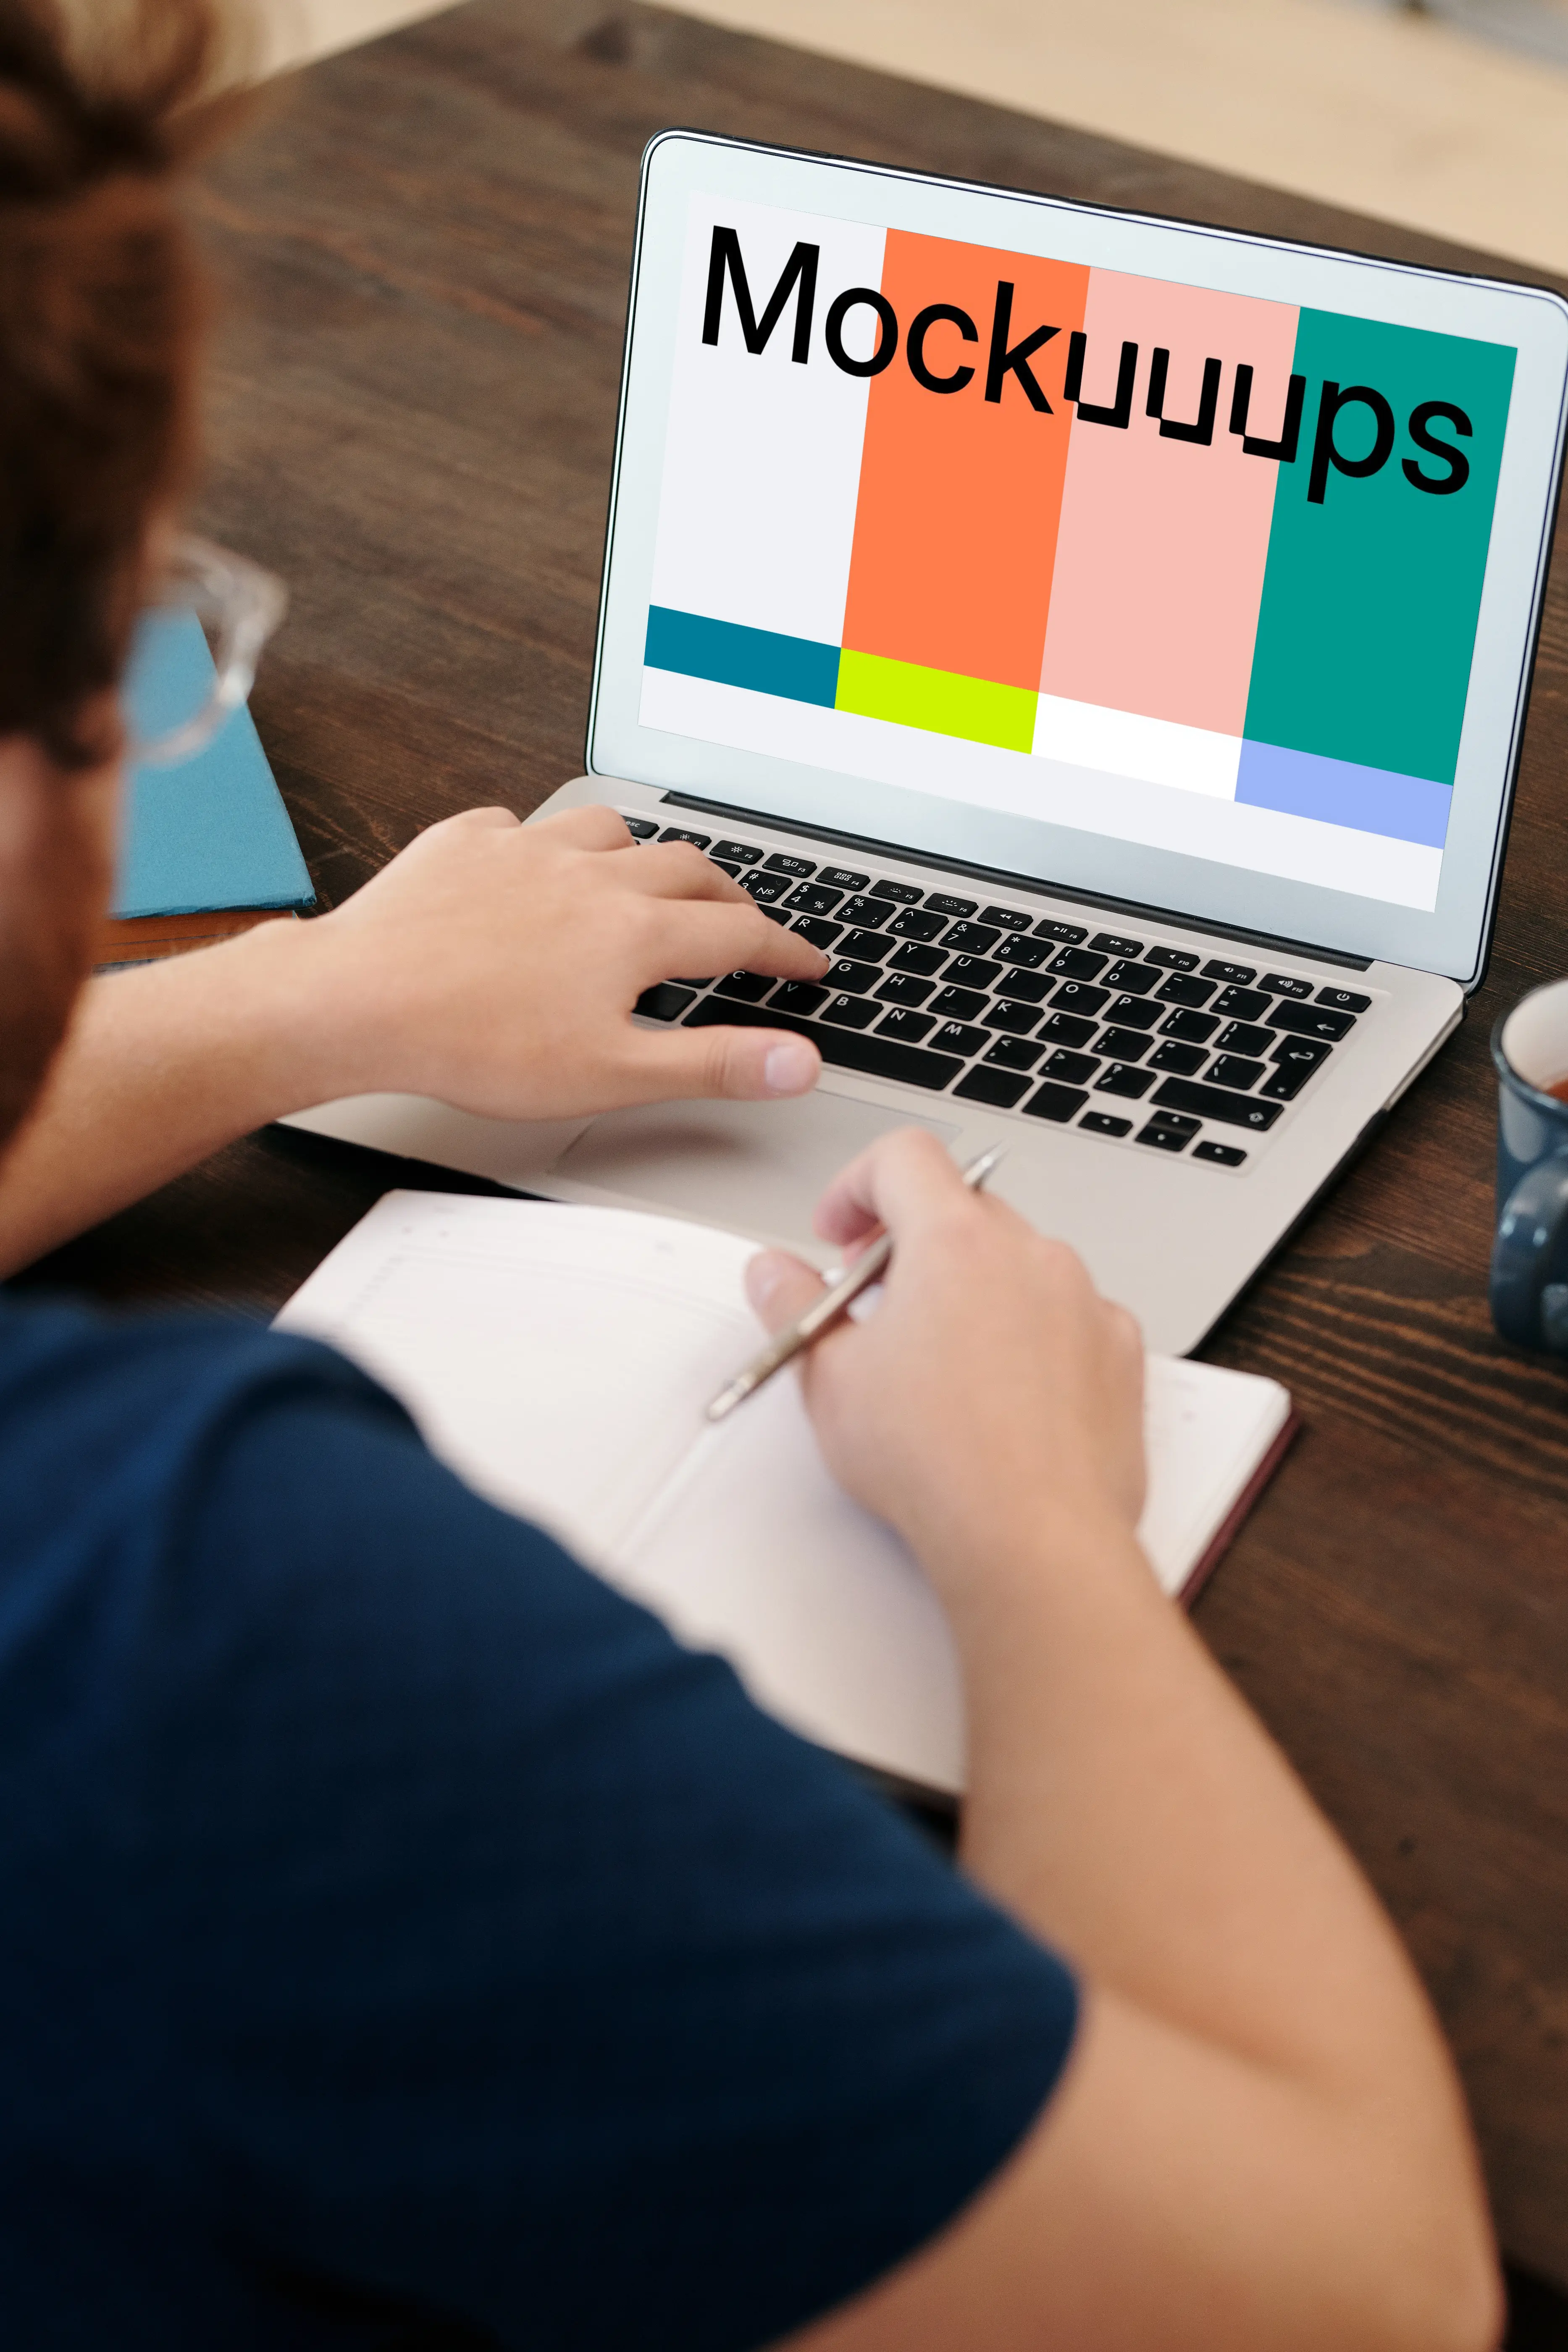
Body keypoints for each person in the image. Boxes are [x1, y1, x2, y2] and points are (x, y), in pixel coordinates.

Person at [0, 5, 1502, 2347]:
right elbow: (1360, 2297)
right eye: (133, 635)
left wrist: (313, 999)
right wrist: (1028, 1533)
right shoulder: (203, 1637)